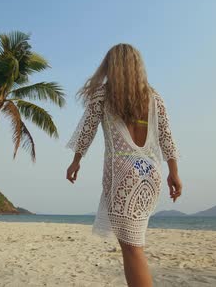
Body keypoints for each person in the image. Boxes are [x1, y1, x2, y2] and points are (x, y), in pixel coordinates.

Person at [65, 43, 182, 287]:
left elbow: (86, 130)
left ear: (111, 66)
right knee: (133, 244)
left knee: (132, 248)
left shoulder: (104, 94)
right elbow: (167, 137)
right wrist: (174, 173)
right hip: (151, 173)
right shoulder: (154, 97)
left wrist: (76, 161)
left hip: (123, 173)